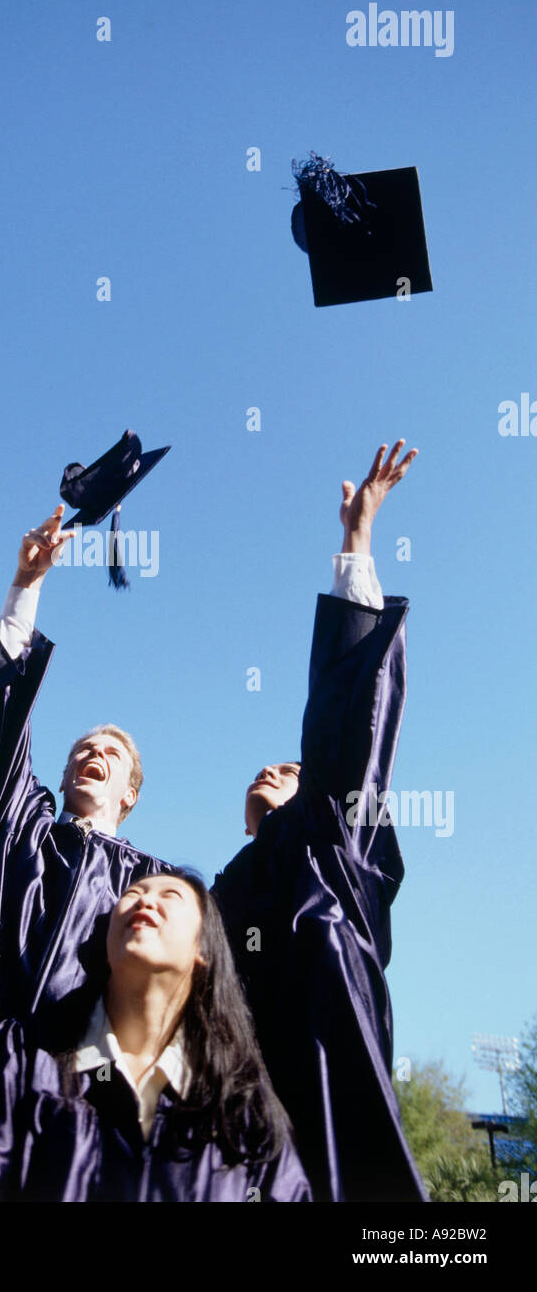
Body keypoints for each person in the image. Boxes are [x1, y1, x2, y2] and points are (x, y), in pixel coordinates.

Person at [0, 441, 421, 1202]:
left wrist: (356, 554)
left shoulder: (169, 886)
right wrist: (25, 588)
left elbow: (350, 751)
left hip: (200, 1124)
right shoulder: (25, 833)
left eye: (110, 750)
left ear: (133, 790)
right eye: (81, 745)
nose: (91, 752)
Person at [214, 441, 426, 1201]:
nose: (274, 771)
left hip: (329, 1104)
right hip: (228, 1129)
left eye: (292, 770)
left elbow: (347, 725)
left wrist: (356, 544)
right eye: (262, 771)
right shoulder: (213, 896)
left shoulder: (330, 839)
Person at [0, 871, 311, 1202]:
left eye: (171, 896)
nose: (146, 899)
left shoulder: (244, 1110)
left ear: (204, 950)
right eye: (133, 893)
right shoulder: (24, 1057)